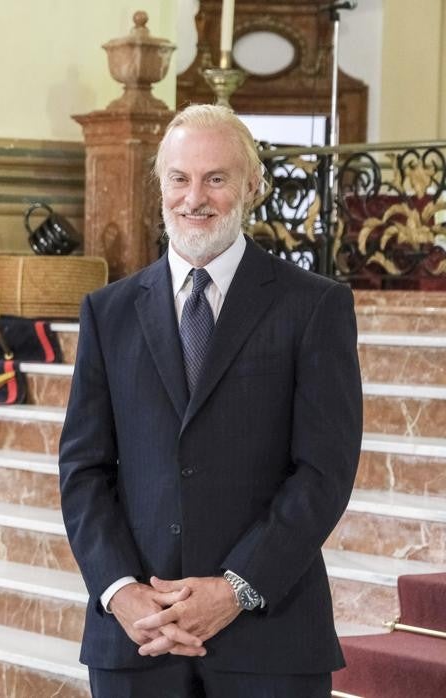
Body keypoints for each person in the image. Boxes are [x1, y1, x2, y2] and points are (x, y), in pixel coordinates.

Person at [58, 104, 362, 697]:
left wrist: (237, 588)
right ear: (161, 186)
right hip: (137, 638)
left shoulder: (314, 306)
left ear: (251, 186)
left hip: (269, 639)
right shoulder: (108, 312)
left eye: (215, 178)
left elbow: (324, 471)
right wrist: (121, 591)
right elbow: (84, 469)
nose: (194, 197)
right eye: (179, 178)